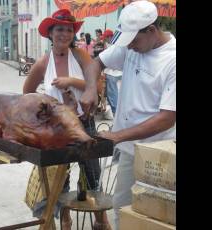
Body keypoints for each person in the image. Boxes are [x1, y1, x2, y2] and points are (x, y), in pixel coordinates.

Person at [79, 1, 176, 229]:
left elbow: (168, 117)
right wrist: (91, 88)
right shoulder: (130, 46)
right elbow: (96, 63)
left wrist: (118, 135)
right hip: (129, 150)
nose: (130, 47)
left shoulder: (172, 59)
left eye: (134, 41)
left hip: (159, 154)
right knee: (122, 210)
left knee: (156, 217)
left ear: (151, 30)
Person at [23, 9, 111, 230]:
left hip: (84, 122)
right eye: (59, 29)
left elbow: (98, 86)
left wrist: (71, 81)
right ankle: (65, 221)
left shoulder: (80, 56)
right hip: (57, 130)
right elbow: (27, 93)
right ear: (50, 33)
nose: (64, 34)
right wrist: (44, 109)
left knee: (92, 173)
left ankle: (101, 221)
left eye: (69, 30)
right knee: (60, 180)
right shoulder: (43, 63)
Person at [101, 29, 122, 119]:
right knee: (118, 94)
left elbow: (107, 61)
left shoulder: (113, 46)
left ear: (110, 37)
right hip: (119, 73)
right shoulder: (118, 44)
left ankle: (116, 114)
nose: (104, 40)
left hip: (112, 73)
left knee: (113, 96)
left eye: (105, 38)